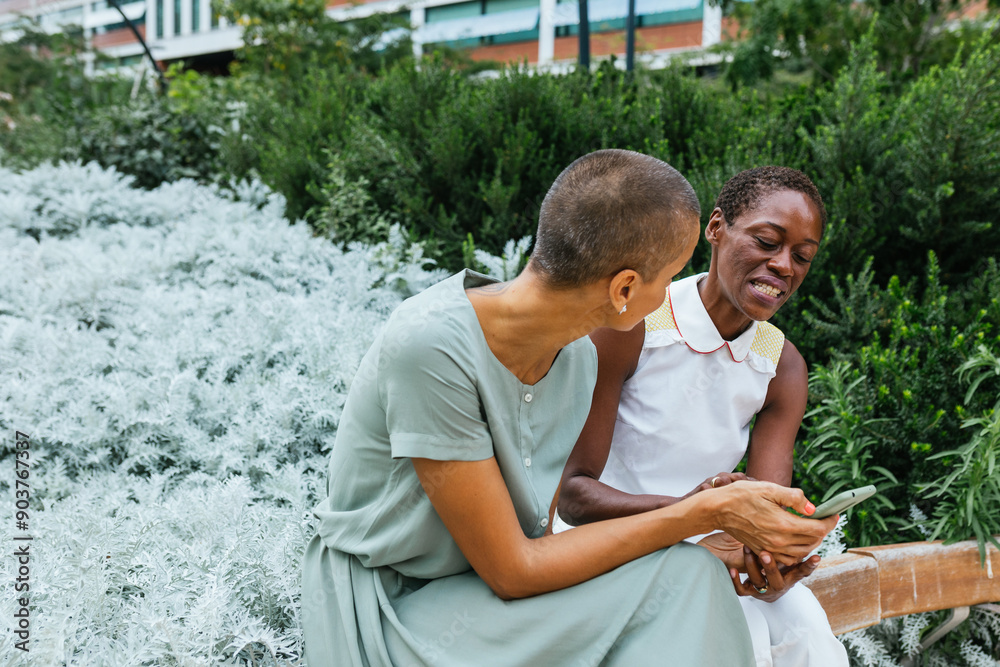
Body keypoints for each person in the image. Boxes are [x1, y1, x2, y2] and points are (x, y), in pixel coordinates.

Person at [301, 151, 838, 667]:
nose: (674, 294)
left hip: (486, 598)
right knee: (685, 571)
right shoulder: (431, 347)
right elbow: (514, 569)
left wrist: (705, 539)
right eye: (672, 271)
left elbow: (543, 540)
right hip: (393, 611)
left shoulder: (576, 357)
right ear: (625, 287)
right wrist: (699, 515)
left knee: (690, 574)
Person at [554, 166, 849, 667]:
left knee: (807, 632)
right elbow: (573, 496)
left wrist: (773, 555)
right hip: (614, 544)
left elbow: (764, 506)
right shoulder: (636, 326)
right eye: (767, 241)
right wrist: (690, 513)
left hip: (714, 545)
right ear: (715, 228)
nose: (784, 266)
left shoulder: (782, 364)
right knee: (744, 636)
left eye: (802, 257)